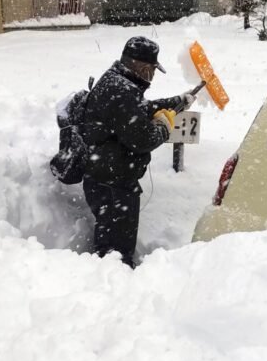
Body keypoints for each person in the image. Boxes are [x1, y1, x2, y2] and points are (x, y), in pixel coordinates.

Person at [80, 36, 196, 267]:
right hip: (114, 183)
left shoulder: (117, 82)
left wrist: (177, 101)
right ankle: (117, 281)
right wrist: (164, 127)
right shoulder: (122, 91)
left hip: (103, 175)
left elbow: (141, 109)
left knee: (106, 240)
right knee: (118, 249)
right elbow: (143, 139)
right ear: (141, 67)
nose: (152, 76)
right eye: (152, 70)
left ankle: (103, 275)